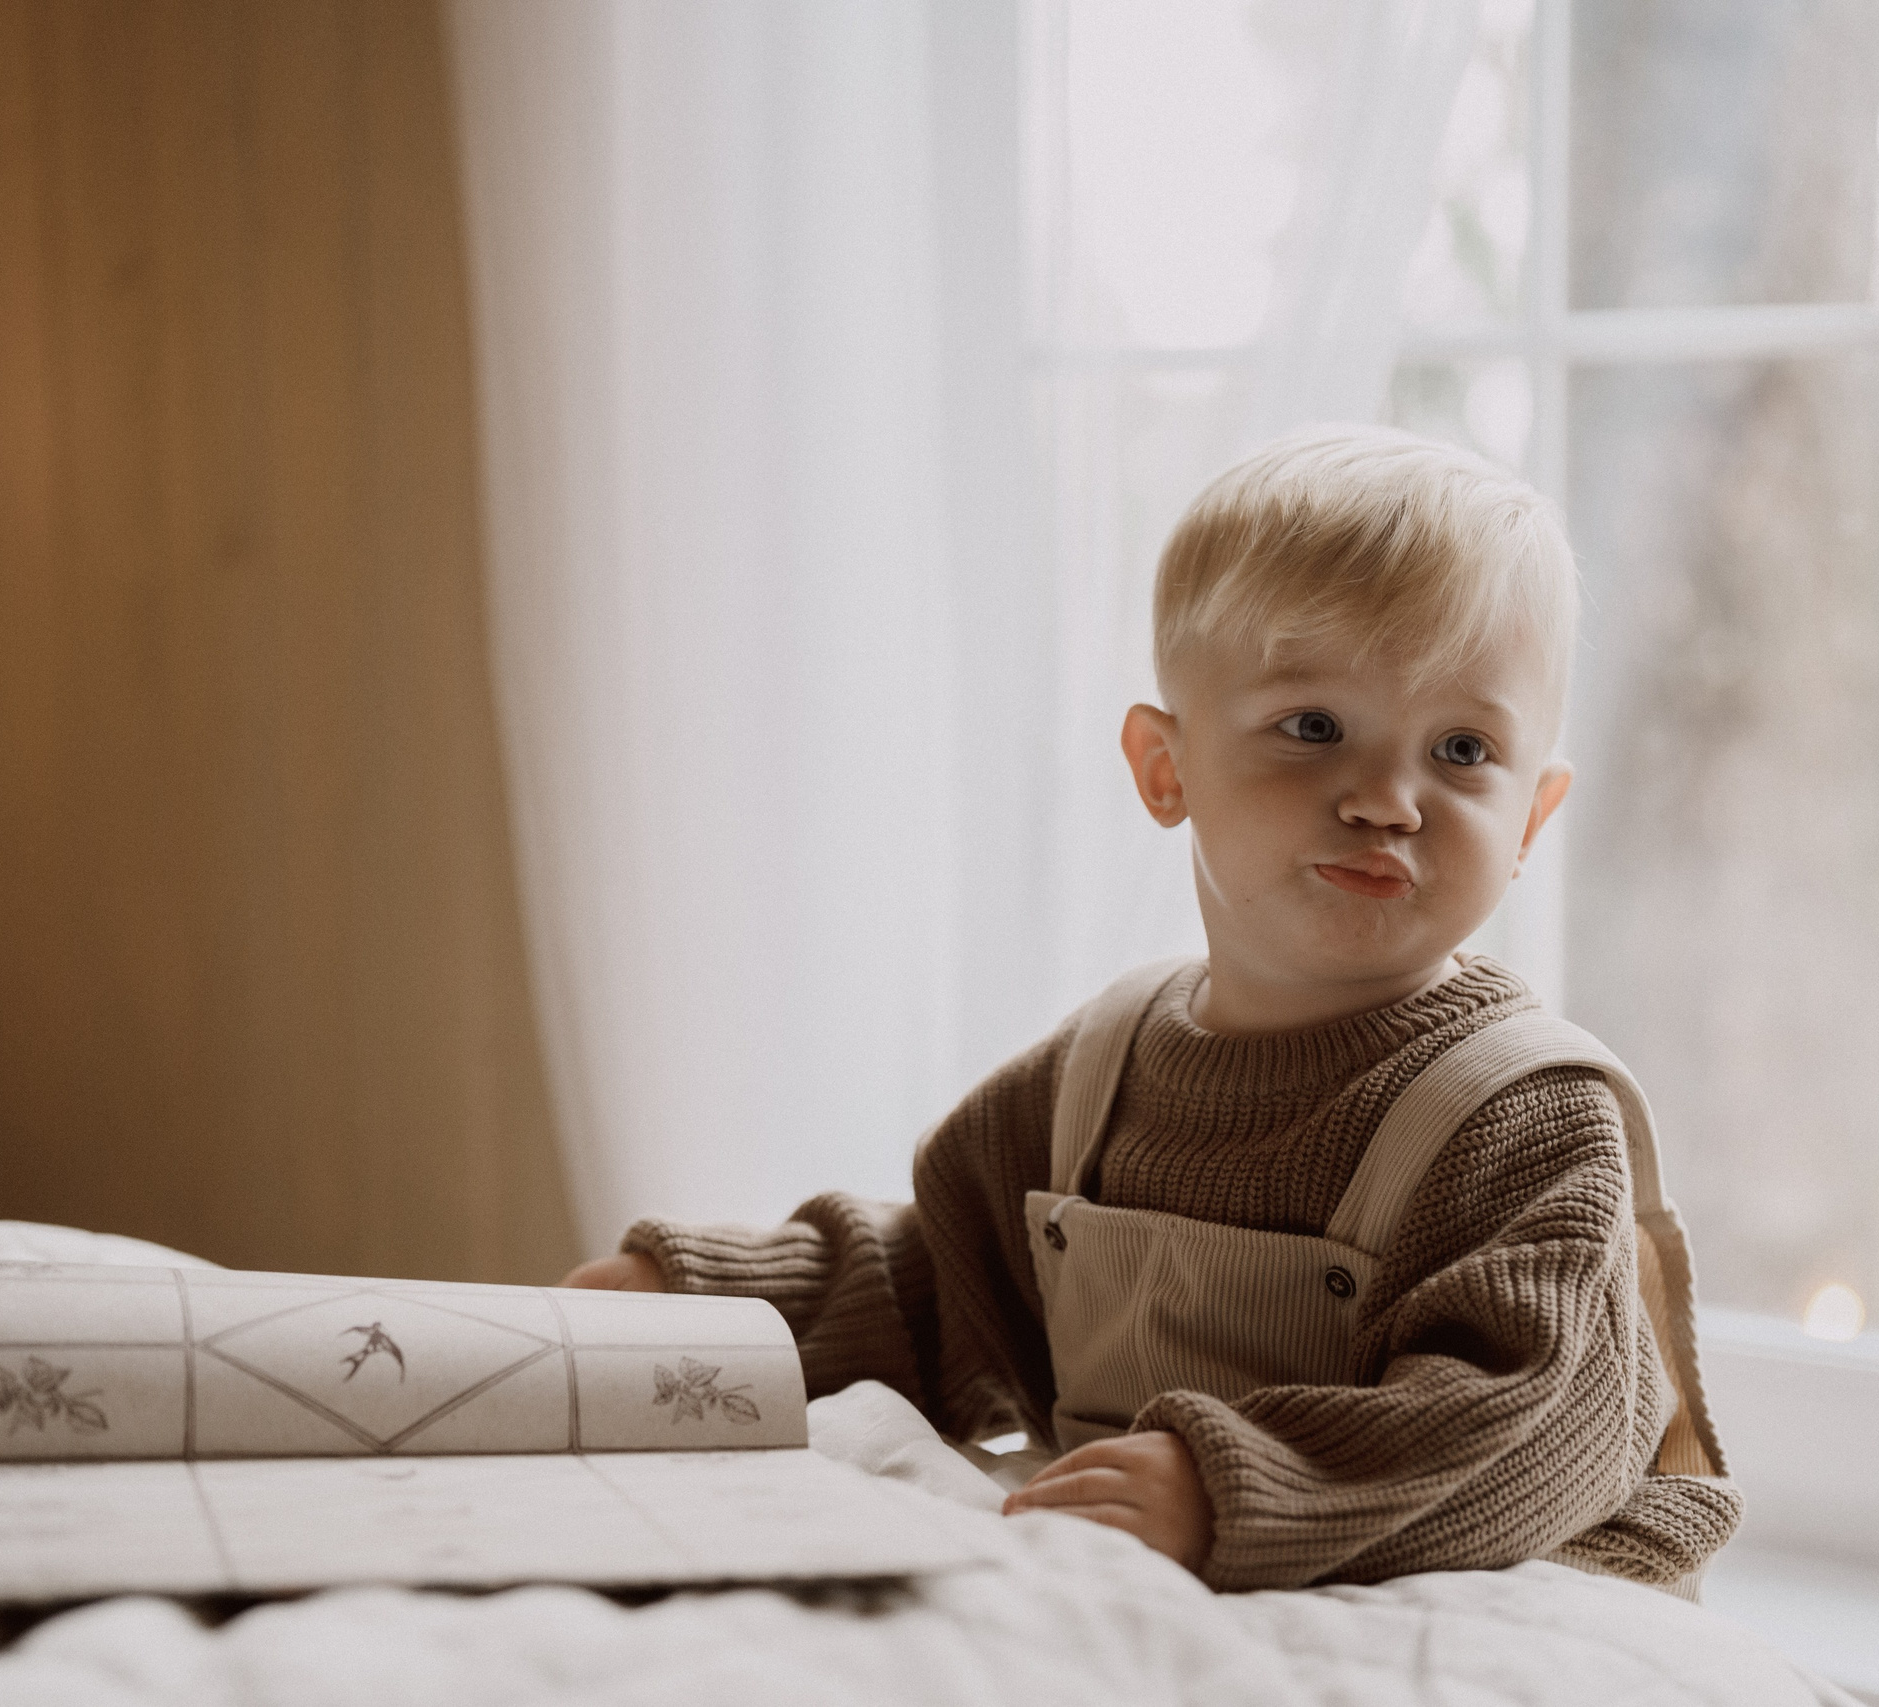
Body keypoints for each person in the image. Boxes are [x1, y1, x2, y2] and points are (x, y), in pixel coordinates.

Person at [563, 425, 1742, 1594]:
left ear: (1532, 816)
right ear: (1164, 769)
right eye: (1314, 728)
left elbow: (1524, 1423)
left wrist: (1227, 1486)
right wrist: (711, 1304)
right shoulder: (1104, 1069)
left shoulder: (1524, 1117)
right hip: (1196, 1595)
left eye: (1462, 748)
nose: (1388, 799)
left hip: (1490, 1598)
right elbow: (941, 1283)